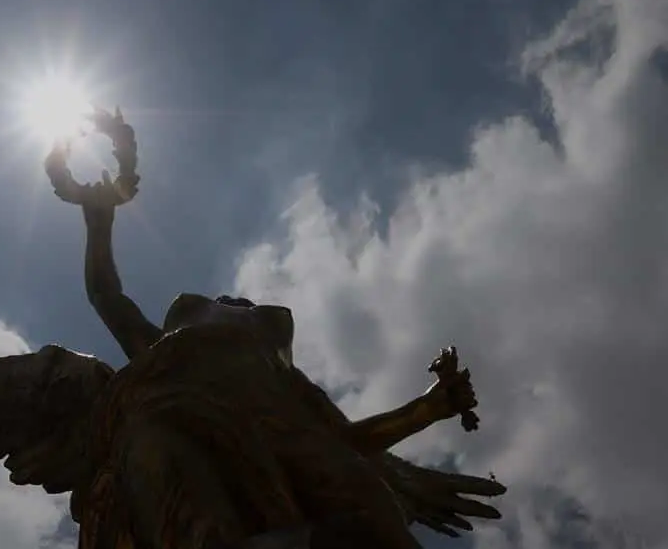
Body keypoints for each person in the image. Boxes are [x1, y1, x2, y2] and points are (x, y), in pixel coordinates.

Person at [42, 146, 482, 549]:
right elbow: (107, 296)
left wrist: (426, 409)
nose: (234, 304)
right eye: (222, 305)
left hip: (278, 436)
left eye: (246, 308)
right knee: (182, 497)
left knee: (373, 514)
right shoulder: (164, 359)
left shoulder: (287, 385)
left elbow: (348, 440)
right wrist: (99, 222)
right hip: (176, 418)